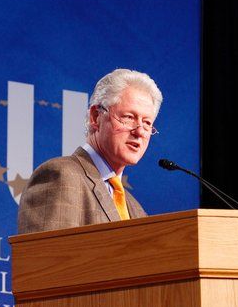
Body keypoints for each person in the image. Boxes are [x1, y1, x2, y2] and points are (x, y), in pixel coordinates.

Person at [17, 69, 162, 233]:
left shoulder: (137, 211)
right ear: (95, 117)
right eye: (129, 117)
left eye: (147, 123)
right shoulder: (62, 176)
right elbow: (47, 256)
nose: (140, 132)